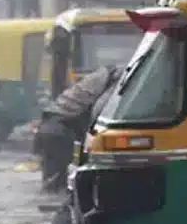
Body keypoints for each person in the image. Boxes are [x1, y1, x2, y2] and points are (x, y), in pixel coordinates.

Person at [35, 64, 123, 193]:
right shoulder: (113, 82)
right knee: (58, 180)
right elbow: (96, 113)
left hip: (50, 126)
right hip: (59, 130)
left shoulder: (98, 78)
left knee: (54, 181)